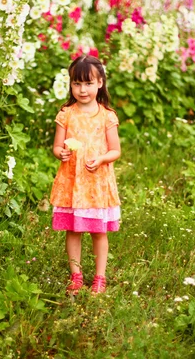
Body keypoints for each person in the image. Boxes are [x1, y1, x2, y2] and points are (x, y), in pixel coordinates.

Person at [50, 55, 121, 295]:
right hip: (73, 182)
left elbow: (115, 151)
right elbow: (57, 146)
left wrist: (101, 159)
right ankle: (76, 275)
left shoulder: (106, 116)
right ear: (71, 85)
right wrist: (61, 154)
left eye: (89, 83)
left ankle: (99, 277)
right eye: (77, 83)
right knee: (74, 229)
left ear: (100, 83)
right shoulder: (66, 114)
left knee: (99, 231)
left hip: (96, 182)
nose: (83, 89)